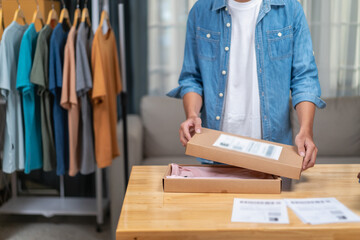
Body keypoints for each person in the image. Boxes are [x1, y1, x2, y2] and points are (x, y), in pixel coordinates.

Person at [167, 0, 326, 170]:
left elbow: (304, 78)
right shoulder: (201, 11)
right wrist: (192, 115)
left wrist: (306, 130)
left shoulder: (290, 8)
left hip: (273, 153)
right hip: (215, 154)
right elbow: (192, 78)